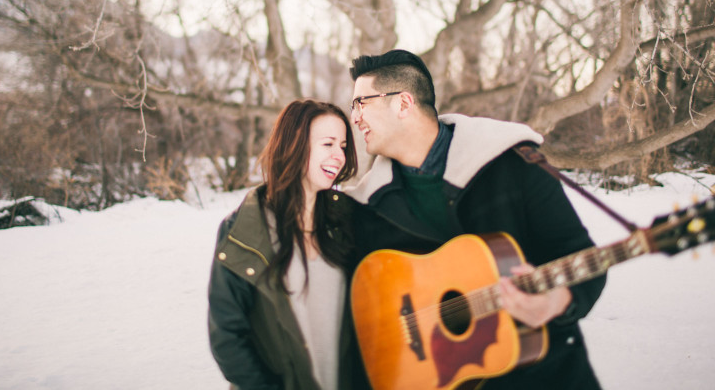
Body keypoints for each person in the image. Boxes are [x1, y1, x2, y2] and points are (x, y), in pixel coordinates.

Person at [346, 49, 606, 389]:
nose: (355, 118)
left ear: (403, 104)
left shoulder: (512, 163)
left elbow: (579, 255)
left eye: (361, 103)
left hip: (547, 375)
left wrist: (557, 301)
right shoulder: (371, 206)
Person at [207, 99, 368, 390]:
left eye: (343, 146)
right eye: (328, 144)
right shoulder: (243, 230)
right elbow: (227, 335)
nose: (339, 156)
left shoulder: (347, 220)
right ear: (295, 144)